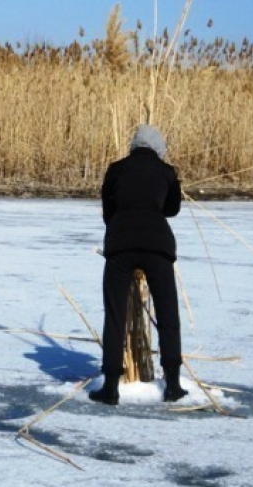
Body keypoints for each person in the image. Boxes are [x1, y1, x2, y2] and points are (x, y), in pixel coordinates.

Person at [89, 124, 188, 405]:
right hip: (158, 246)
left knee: (115, 315)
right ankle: (173, 385)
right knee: (168, 315)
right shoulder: (167, 172)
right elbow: (172, 209)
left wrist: (122, 225)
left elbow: (108, 211)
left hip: (120, 245)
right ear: (158, 147)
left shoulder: (116, 169)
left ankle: (110, 387)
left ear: (133, 145)